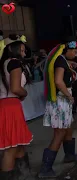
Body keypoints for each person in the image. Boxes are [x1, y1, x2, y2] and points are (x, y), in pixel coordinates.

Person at [39, 37, 77, 178]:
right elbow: (59, 81)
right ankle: (45, 168)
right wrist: (69, 96)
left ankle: (69, 155)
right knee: (59, 133)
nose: (76, 55)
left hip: (63, 100)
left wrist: (69, 63)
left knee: (68, 128)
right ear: (69, 49)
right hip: (60, 100)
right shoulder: (60, 61)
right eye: (75, 52)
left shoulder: (61, 60)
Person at [0, 41, 33, 179]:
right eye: (22, 50)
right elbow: (15, 88)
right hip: (10, 107)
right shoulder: (14, 63)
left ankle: (24, 175)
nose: (24, 53)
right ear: (12, 49)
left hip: (8, 105)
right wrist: (24, 93)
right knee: (11, 149)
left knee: (19, 145)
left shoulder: (4, 63)